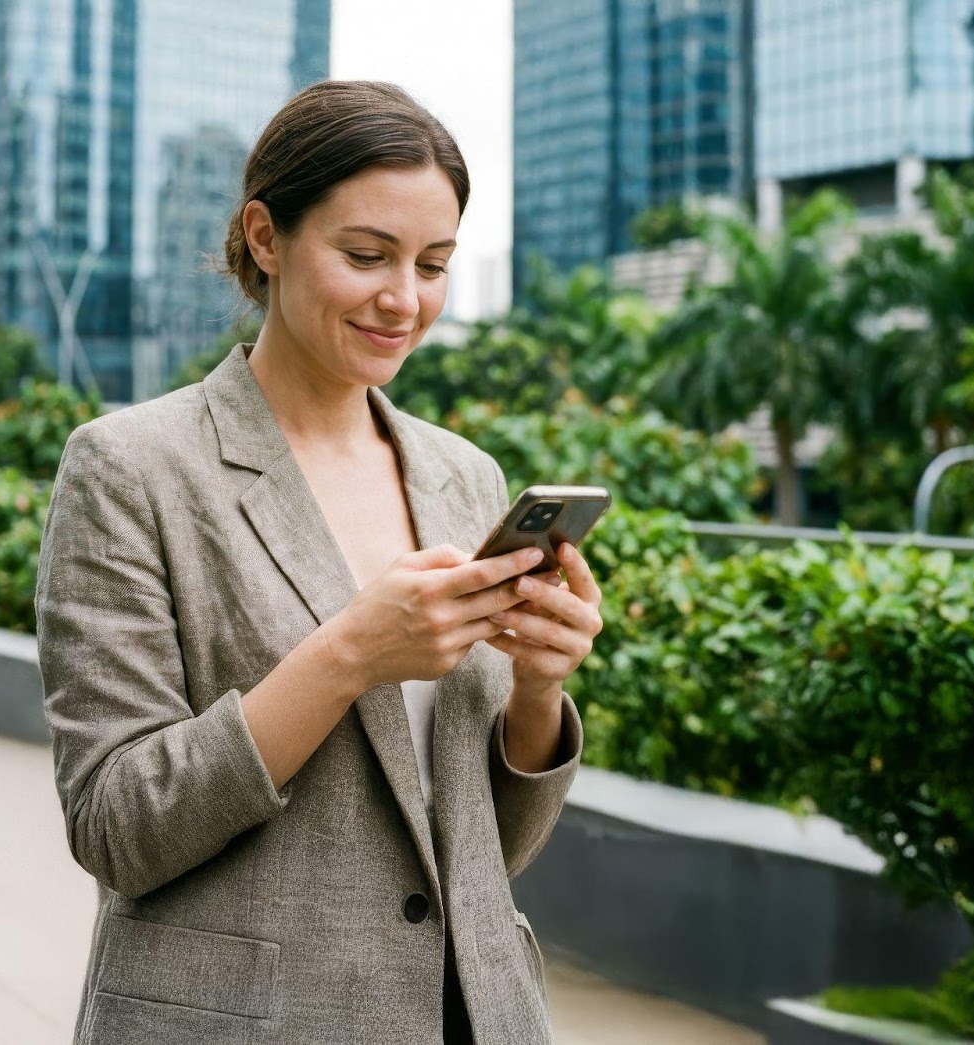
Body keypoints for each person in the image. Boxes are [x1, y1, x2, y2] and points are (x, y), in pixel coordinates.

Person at [35, 79, 604, 1044]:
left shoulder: (463, 477)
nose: (404, 299)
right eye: (366, 255)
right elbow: (116, 826)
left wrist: (540, 692)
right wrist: (349, 654)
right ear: (265, 236)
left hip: (469, 1015)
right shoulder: (130, 467)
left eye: (434, 264)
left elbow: (481, 857)